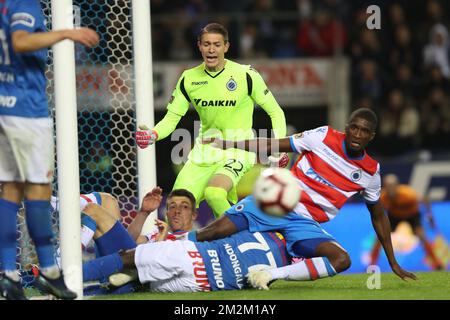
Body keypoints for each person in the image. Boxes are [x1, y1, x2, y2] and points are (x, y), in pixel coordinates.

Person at [189, 108, 416, 290]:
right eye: (354, 127)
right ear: (346, 127)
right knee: (214, 231)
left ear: (371, 136)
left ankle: (268, 275)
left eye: (364, 131)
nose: (357, 134)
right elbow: (271, 144)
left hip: (305, 223)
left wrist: (392, 261)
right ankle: (168, 245)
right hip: (277, 202)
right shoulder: (323, 136)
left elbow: (378, 215)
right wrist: (228, 144)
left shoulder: (370, 172)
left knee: (341, 260)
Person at [135, 22, 288, 218]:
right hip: (204, 152)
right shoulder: (188, 79)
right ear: (199, 46)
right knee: (175, 210)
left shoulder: (245, 75)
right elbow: (172, 118)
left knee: (215, 193)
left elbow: (276, 112)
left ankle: (240, 238)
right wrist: (153, 134)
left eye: (216, 44)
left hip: (238, 150)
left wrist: (278, 146)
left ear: (226, 47)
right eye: (206, 44)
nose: (211, 49)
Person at [0, 0, 99, 300]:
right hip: (28, 113)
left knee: (10, 191)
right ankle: (48, 270)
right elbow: (21, 40)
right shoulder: (24, 5)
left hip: (5, 108)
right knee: (39, 191)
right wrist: (66, 34)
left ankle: (8, 275)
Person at [369, 174, 444, 270]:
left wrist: (430, 216)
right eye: (388, 186)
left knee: (422, 236)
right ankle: (371, 264)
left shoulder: (408, 194)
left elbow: (424, 200)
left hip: (412, 216)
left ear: (397, 186)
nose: (390, 189)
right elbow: (379, 212)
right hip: (394, 216)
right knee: (380, 237)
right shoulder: (383, 197)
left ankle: (437, 264)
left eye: (392, 186)